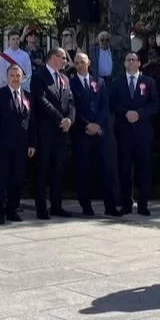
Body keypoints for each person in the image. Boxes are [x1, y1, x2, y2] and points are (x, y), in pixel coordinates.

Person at [111, 52, 160, 215]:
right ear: (124, 63)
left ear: (139, 63)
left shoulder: (149, 82)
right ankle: (126, 204)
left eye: (134, 60)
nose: (131, 62)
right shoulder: (117, 82)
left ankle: (143, 205)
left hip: (143, 134)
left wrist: (139, 113)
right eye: (128, 60)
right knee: (125, 170)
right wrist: (125, 112)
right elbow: (112, 103)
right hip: (124, 132)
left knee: (144, 170)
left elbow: (155, 104)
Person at [70, 53, 119, 216]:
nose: (80, 65)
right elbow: (72, 107)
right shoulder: (71, 83)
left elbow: (104, 105)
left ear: (89, 63)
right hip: (82, 133)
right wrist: (87, 124)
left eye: (82, 62)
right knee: (84, 171)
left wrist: (97, 124)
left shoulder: (99, 82)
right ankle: (86, 206)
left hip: (100, 133)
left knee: (106, 169)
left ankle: (110, 206)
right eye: (77, 63)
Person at [30, 47, 75, 219]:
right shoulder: (39, 77)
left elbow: (71, 101)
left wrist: (69, 119)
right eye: (63, 58)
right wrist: (60, 119)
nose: (65, 61)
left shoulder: (64, 78)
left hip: (62, 132)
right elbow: (41, 101)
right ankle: (41, 207)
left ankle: (57, 205)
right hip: (45, 131)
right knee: (43, 169)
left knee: (58, 169)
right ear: (53, 57)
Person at [0, 64, 34, 223]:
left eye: (18, 75)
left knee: (17, 180)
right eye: (12, 75)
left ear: (22, 77)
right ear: (7, 77)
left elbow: (32, 122)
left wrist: (32, 144)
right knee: (0, 180)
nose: (15, 78)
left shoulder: (28, 96)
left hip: (21, 147)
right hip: (2, 146)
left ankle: (12, 210)